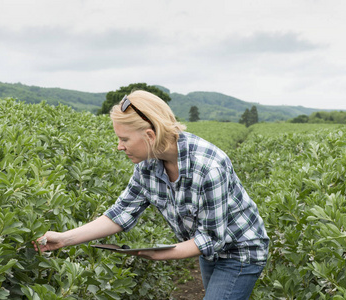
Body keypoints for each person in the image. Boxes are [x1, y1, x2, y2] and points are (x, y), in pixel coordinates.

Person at [34, 90, 269, 300]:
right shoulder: (147, 165)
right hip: (208, 250)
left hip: (240, 250)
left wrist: (161, 254)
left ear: (150, 135)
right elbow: (121, 213)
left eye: (124, 139)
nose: (119, 146)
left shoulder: (208, 166)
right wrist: (64, 239)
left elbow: (212, 239)